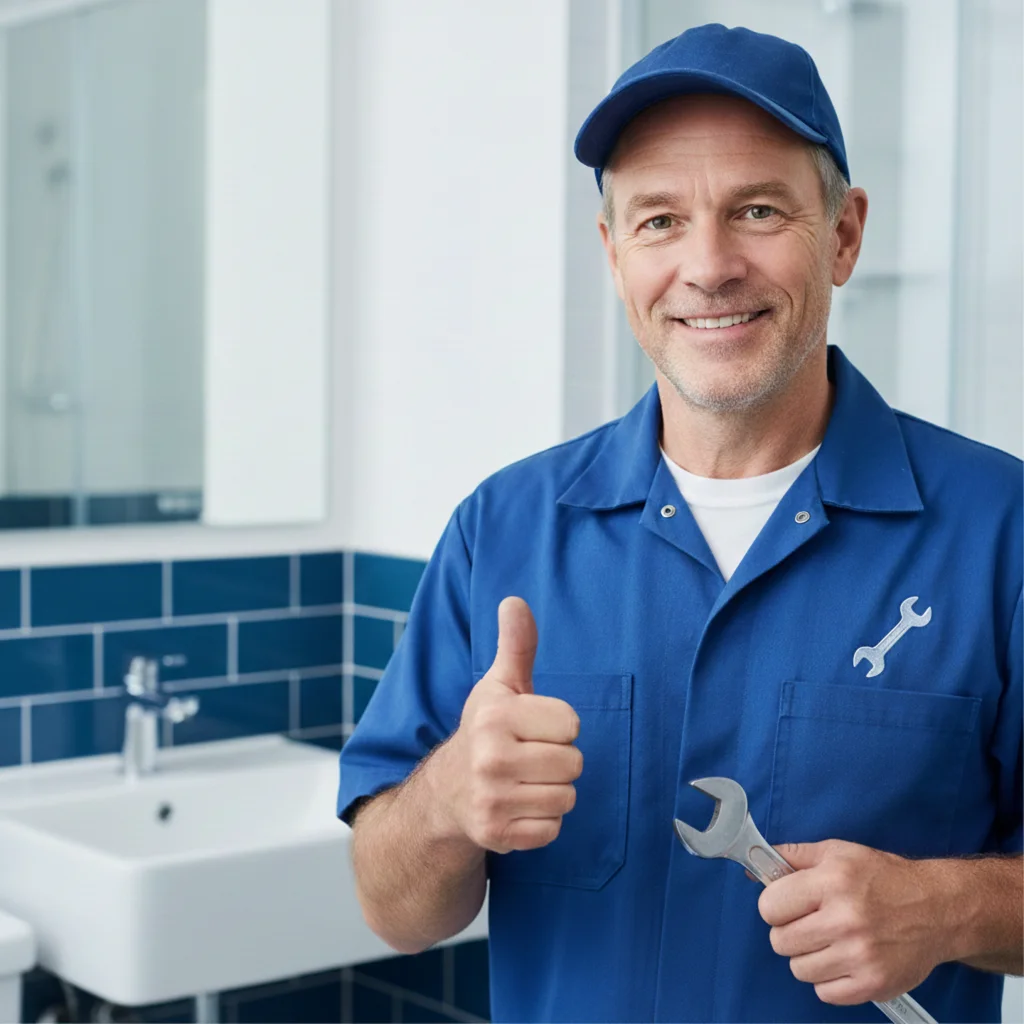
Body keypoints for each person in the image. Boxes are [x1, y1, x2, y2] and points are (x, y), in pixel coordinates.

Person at [337, 23, 1022, 1023]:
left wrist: (950, 904)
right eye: (658, 220)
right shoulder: (501, 530)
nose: (707, 266)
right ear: (614, 255)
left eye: (755, 209)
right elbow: (389, 908)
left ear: (841, 234)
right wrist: (445, 804)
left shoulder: (1001, 532)